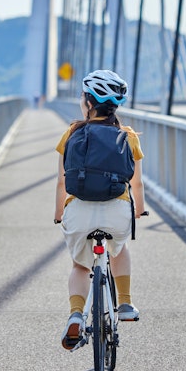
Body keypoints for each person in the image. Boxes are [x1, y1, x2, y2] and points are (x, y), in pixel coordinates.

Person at [54, 69, 146, 350]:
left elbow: (62, 183)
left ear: (88, 103)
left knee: (80, 265)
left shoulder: (72, 133)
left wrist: (59, 214)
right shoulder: (128, 136)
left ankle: (76, 314)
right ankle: (126, 303)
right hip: (116, 212)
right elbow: (137, 184)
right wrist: (138, 211)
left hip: (79, 212)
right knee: (119, 249)